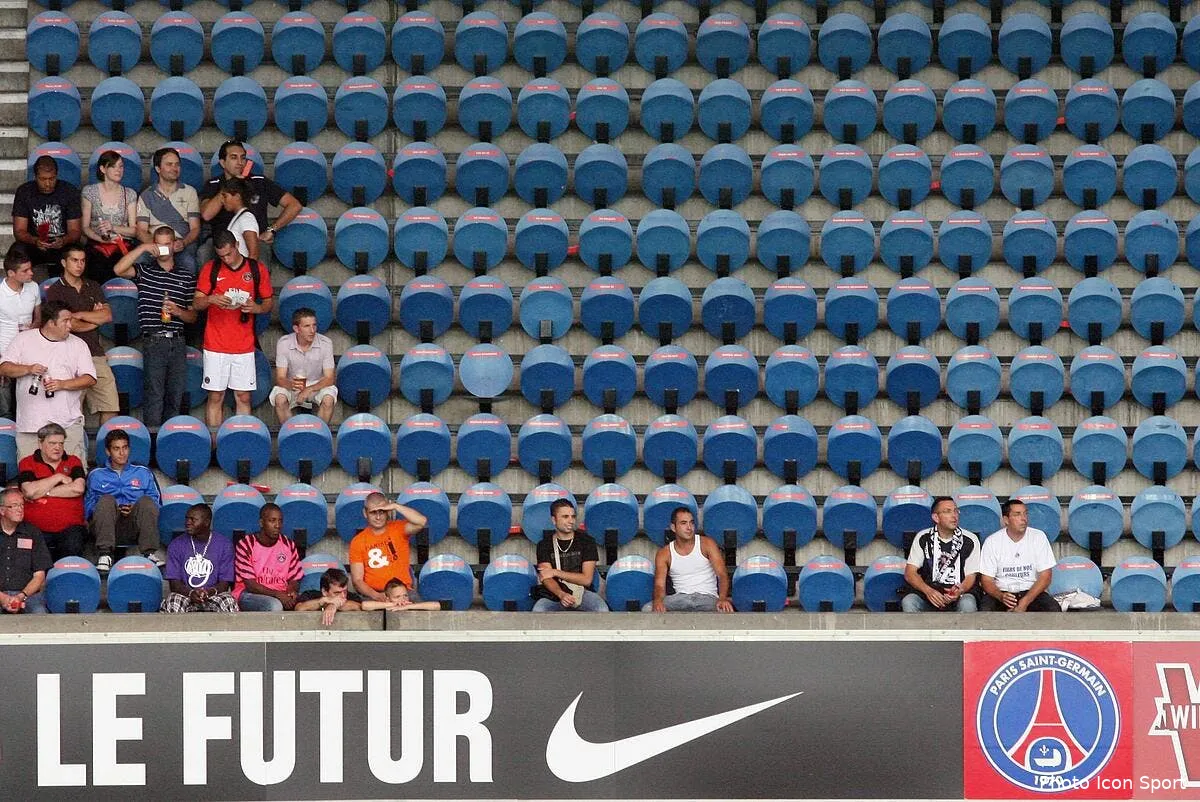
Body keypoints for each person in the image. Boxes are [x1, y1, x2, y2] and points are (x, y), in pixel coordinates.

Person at [113, 228, 197, 428]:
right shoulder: (145, 270)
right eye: (159, 244)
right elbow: (118, 270)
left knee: (175, 396)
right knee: (154, 396)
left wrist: (178, 311)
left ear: (174, 245)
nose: (163, 249)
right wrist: (142, 247)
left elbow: (193, 316)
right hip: (153, 340)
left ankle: (169, 445)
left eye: (167, 243)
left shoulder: (186, 276)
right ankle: (152, 448)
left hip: (177, 340)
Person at [192, 230, 273, 432]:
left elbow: (269, 302)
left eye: (228, 254)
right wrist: (211, 299)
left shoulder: (256, 269)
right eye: (221, 256)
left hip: (244, 344)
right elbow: (196, 303)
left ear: (236, 245)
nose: (226, 259)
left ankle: (240, 441)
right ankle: (214, 446)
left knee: (243, 396)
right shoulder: (211, 269)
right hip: (215, 343)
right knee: (215, 396)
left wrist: (257, 308)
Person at [0, 300, 96, 461]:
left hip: (67, 424)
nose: (70, 326)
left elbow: (90, 379)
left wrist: (62, 384)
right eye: (65, 321)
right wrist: (28, 369)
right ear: (51, 323)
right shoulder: (23, 339)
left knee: (73, 479)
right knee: (31, 481)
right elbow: (3, 368)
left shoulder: (79, 344)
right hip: (31, 424)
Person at [44, 244, 118, 424]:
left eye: (83, 260)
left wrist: (80, 315)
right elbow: (70, 326)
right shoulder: (55, 290)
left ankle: (105, 450)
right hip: (67, 355)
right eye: (74, 260)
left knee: (111, 406)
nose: (79, 265)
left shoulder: (93, 286)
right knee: (71, 413)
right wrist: (94, 319)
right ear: (64, 262)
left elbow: (107, 315)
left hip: (95, 353)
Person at [199, 141, 300, 262]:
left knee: (260, 255)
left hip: (255, 239)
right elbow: (206, 215)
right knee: (204, 252)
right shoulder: (213, 184)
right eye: (233, 157)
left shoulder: (259, 181)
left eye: (243, 158)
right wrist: (229, 186)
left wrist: (272, 230)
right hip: (221, 240)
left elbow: (294, 205)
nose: (240, 162)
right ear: (223, 162)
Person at [85, 428, 162, 573]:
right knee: (106, 500)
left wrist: (134, 507)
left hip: (135, 526)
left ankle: (149, 553)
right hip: (104, 526)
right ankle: (105, 555)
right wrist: (114, 507)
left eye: (125, 448)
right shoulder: (96, 475)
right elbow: (87, 505)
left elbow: (156, 501)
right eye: (116, 449)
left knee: (146, 501)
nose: (122, 453)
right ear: (108, 452)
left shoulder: (143, 472)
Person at [16, 422, 86, 561]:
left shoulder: (73, 461)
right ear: (40, 443)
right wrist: (58, 477)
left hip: (71, 528)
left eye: (61, 443)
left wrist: (44, 491)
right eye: (52, 443)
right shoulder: (27, 463)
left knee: (73, 545)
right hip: (35, 528)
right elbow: (29, 492)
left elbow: (78, 488)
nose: (58, 448)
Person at [644, 507, 734, 612]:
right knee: (648, 609)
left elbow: (722, 575)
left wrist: (723, 598)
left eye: (691, 523)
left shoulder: (707, 544)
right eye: (683, 523)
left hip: (707, 598)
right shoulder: (664, 553)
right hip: (680, 599)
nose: (689, 527)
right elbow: (659, 585)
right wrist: (658, 601)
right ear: (673, 527)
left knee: (725, 609)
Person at [901, 496, 981, 612]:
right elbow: (910, 573)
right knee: (909, 601)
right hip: (930, 591)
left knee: (968, 604)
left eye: (955, 511)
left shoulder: (970, 539)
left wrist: (960, 590)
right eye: (947, 511)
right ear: (936, 517)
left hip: (960, 593)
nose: (954, 516)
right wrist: (928, 591)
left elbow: (971, 576)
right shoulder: (923, 537)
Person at [979, 499, 1059, 613]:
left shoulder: (1038, 537)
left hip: (1031, 592)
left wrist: (1025, 601)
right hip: (1002, 592)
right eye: (1017, 514)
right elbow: (986, 580)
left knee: (1053, 608)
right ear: (1006, 520)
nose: (1024, 518)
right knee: (985, 610)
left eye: (1025, 513)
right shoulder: (992, 541)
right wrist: (1000, 596)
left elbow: (1046, 576)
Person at [348, 492, 427, 603]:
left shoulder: (398, 528)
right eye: (373, 513)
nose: (378, 517)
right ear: (365, 513)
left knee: (421, 616)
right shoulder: (358, 541)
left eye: (382, 512)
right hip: (374, 594)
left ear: (388, 511)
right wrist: (376, 596)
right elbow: (357, 580)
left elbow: (421, 522)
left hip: (404, 592)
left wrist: (396, 506)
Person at [533, 498, 608, 612]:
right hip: (555, 593)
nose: (571, 521)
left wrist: (556, 572)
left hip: (581, 592)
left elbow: (586, 579)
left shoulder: (587, 541)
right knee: (539, 609)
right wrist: (561, 594)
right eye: (565, 517)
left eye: (573, 516)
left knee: (601, 609)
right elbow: (546, 578)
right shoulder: (544, 545)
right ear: (554, 520)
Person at [160, 503, 238, 613]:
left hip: (213, 595)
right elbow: (174, 584)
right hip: (185, 595)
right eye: (187, 519)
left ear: (206, 522)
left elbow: (225, 583)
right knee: (173, 601)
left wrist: (208, 593)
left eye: (193, 519)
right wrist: (191, 593)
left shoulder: (224, 544)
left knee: (228, 601)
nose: (188, 522)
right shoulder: (176, 544)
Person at [136, 147, 201, 274]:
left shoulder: (190, 192)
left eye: (177, 164)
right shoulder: (146, 195)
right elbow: (140, 230)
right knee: (139, 260)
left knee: (189, 263)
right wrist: (157, 245)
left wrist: (184, 242)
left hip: (181, 243)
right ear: (158, 168)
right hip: (156, 243)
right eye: (169, 164)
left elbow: (195, 228)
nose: (174, 168)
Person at [12, 155, 82, 273]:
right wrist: (35, 241)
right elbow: (19, 231)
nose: (48, 183)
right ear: (35, 177)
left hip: (63, 244)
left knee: (79, 254)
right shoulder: (24, 192)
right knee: (16, 254)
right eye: (43, 179)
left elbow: (75, 231)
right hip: (33, 243)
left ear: (57, 175)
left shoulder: (69, 191)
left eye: (52, 178)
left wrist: (63, 240)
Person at [80, 150, 138, 283]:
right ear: (103, 169)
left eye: (121, 166)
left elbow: (135, 230)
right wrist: (100, 238)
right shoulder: (90, 192)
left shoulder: (129, 194)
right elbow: (85, 227)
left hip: (122, 243)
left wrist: (113, 227)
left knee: (121, 265)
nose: (118, 170)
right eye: (113, 166)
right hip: (97, 243)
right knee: (96, 264)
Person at [270, 307, 337, 423]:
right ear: (296, 328)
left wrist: (308, 390)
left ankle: (319, 436)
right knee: (280, 399)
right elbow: (280, 378)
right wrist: (293, 386)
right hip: (292, 384)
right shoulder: (284, 343)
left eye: (314, 325)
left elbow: (329, 378)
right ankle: (290, 434)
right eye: (307, 326)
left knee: (328, 399)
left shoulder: (326, 343)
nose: (312, 330)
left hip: (317, 384)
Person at [233, 503, 302, 612]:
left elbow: (294, 578)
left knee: (305, 604)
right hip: (249, 594)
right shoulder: (246, 544)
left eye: (280, 521)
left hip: (281, 594)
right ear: (261, 523)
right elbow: (251, 585)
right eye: (272, 521)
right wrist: (277, 595)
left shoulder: (288, 544)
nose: (277, 525)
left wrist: (290, 591)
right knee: (274, 606)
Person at [0, 247, 41, 420]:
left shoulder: (33, 287)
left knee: (29, 404)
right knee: (5, 405)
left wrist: (32, 328)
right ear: (11, 273)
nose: (31, 273)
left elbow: (38, 318)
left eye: (30, 268)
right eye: (25, 271)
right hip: (4, 351)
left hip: (28, 348)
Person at [0, 487, 51, 614]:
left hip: (28, 595)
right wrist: (3, 598)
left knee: (39, 613)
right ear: (2, 510)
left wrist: (20, 596)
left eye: (22, 505)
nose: (20, 509)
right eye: (14, 506)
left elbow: (39, 576)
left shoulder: (32, 532)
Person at [295, 567, 365, 626]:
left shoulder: (352, 596)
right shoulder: (310, 595)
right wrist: (322, 601)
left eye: (345, 591)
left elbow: (360, 607)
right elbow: (299, 608)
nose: (343, 596)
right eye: (337, 593)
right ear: (324, 592)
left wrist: (333, 605)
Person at [218, 177, 259, 259]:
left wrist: (248, 272)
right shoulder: (240, 217)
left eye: (225, 196)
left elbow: (253, 254)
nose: (222, 200)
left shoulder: (246, 219)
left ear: (237, 196)